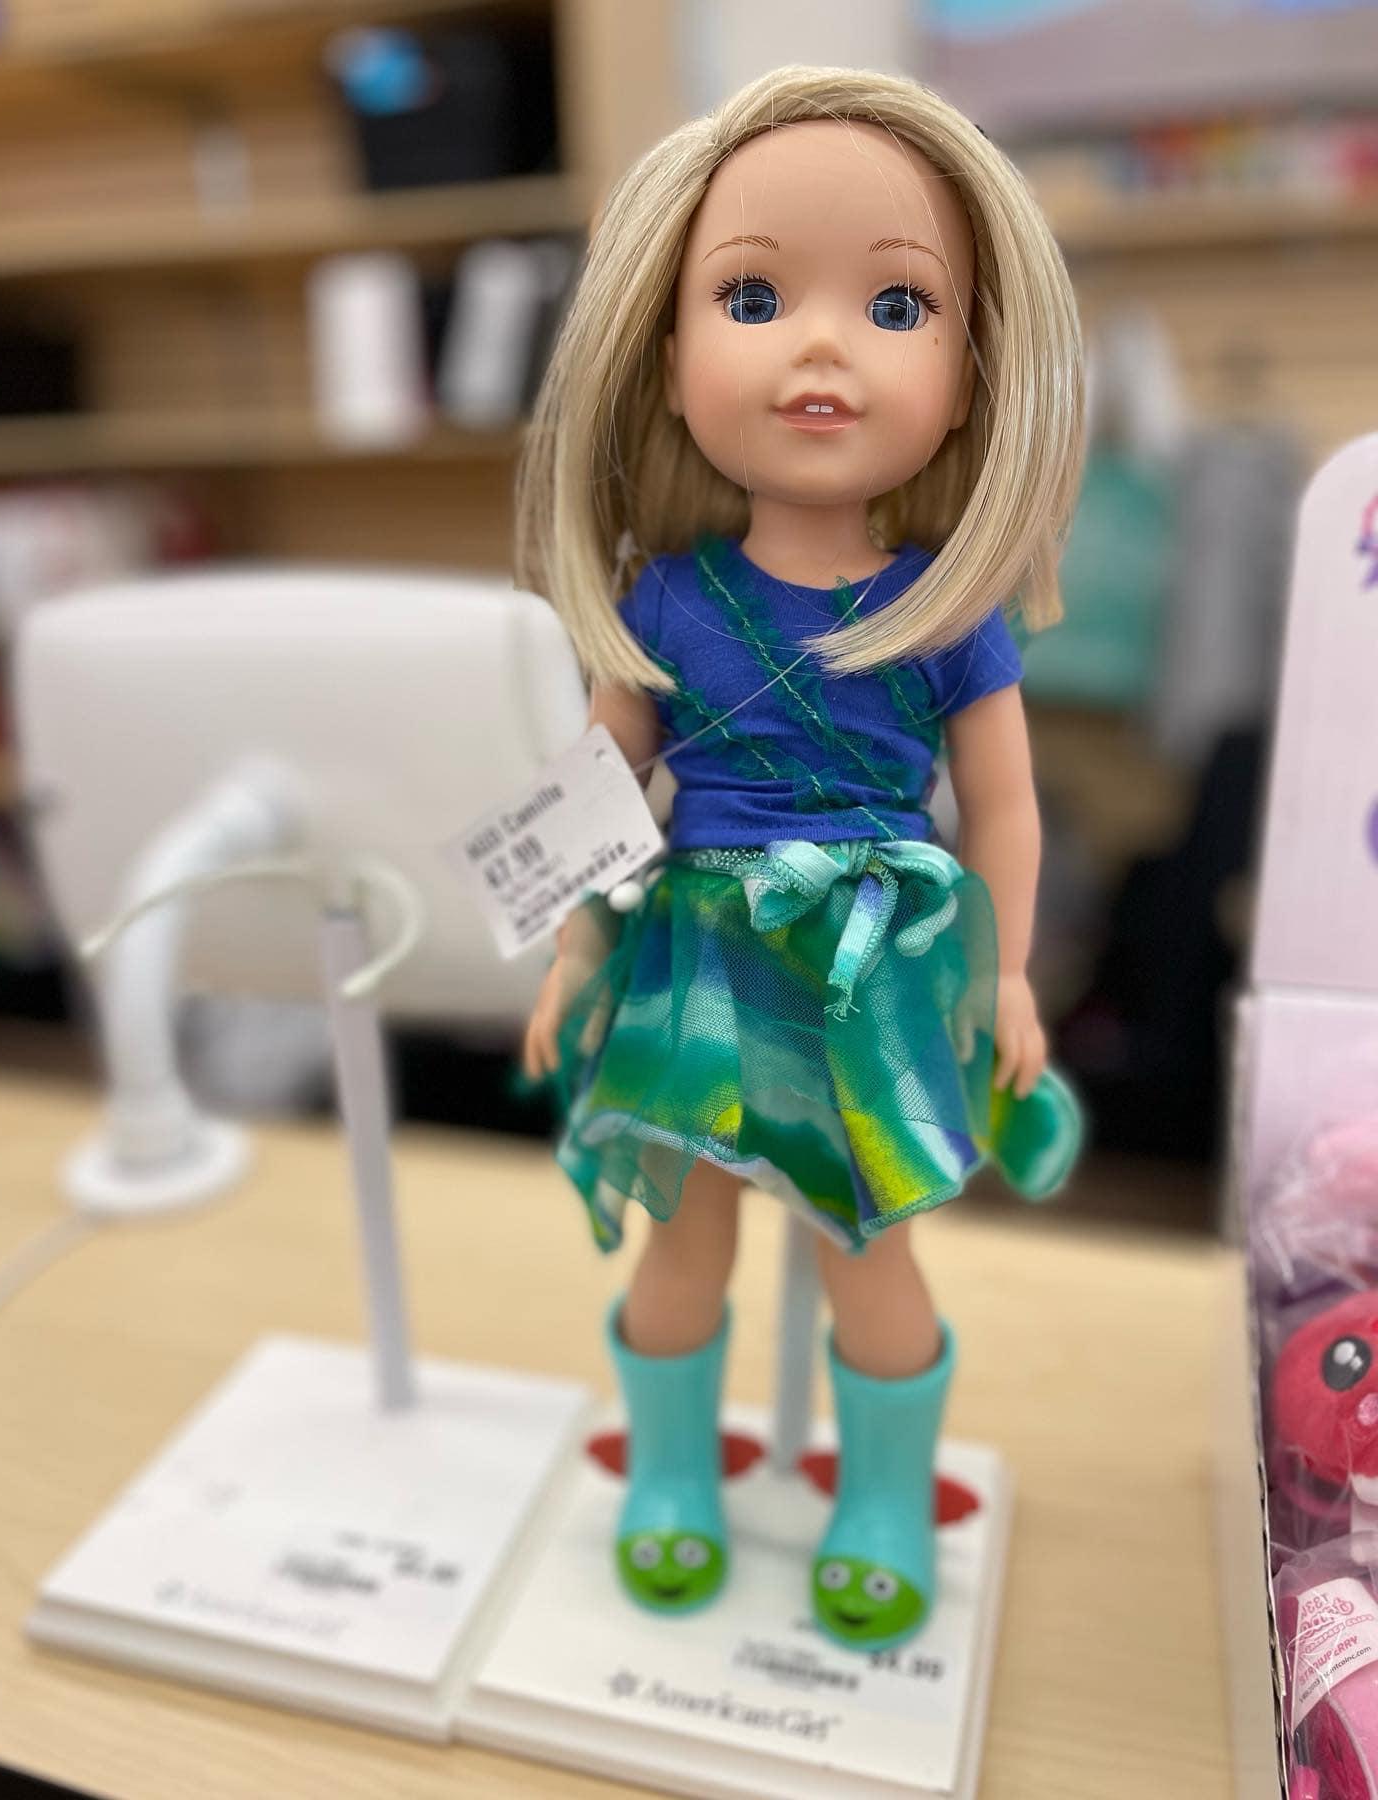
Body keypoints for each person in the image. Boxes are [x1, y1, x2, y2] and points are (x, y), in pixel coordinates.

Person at [516, 65, 1084, 1652]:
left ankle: (883, 1496)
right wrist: (572, 951)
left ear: (969, 376)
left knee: (870, 1255)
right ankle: (673, 1470)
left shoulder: (947, 610)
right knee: (683, 1240)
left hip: (869, 978)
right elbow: (596, 793)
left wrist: (1010, 974)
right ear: (669, 354)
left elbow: (1007, 810)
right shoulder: (667, 599)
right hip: (697, 970)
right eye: (754, 297)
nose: (821, 348)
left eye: (898, 307)